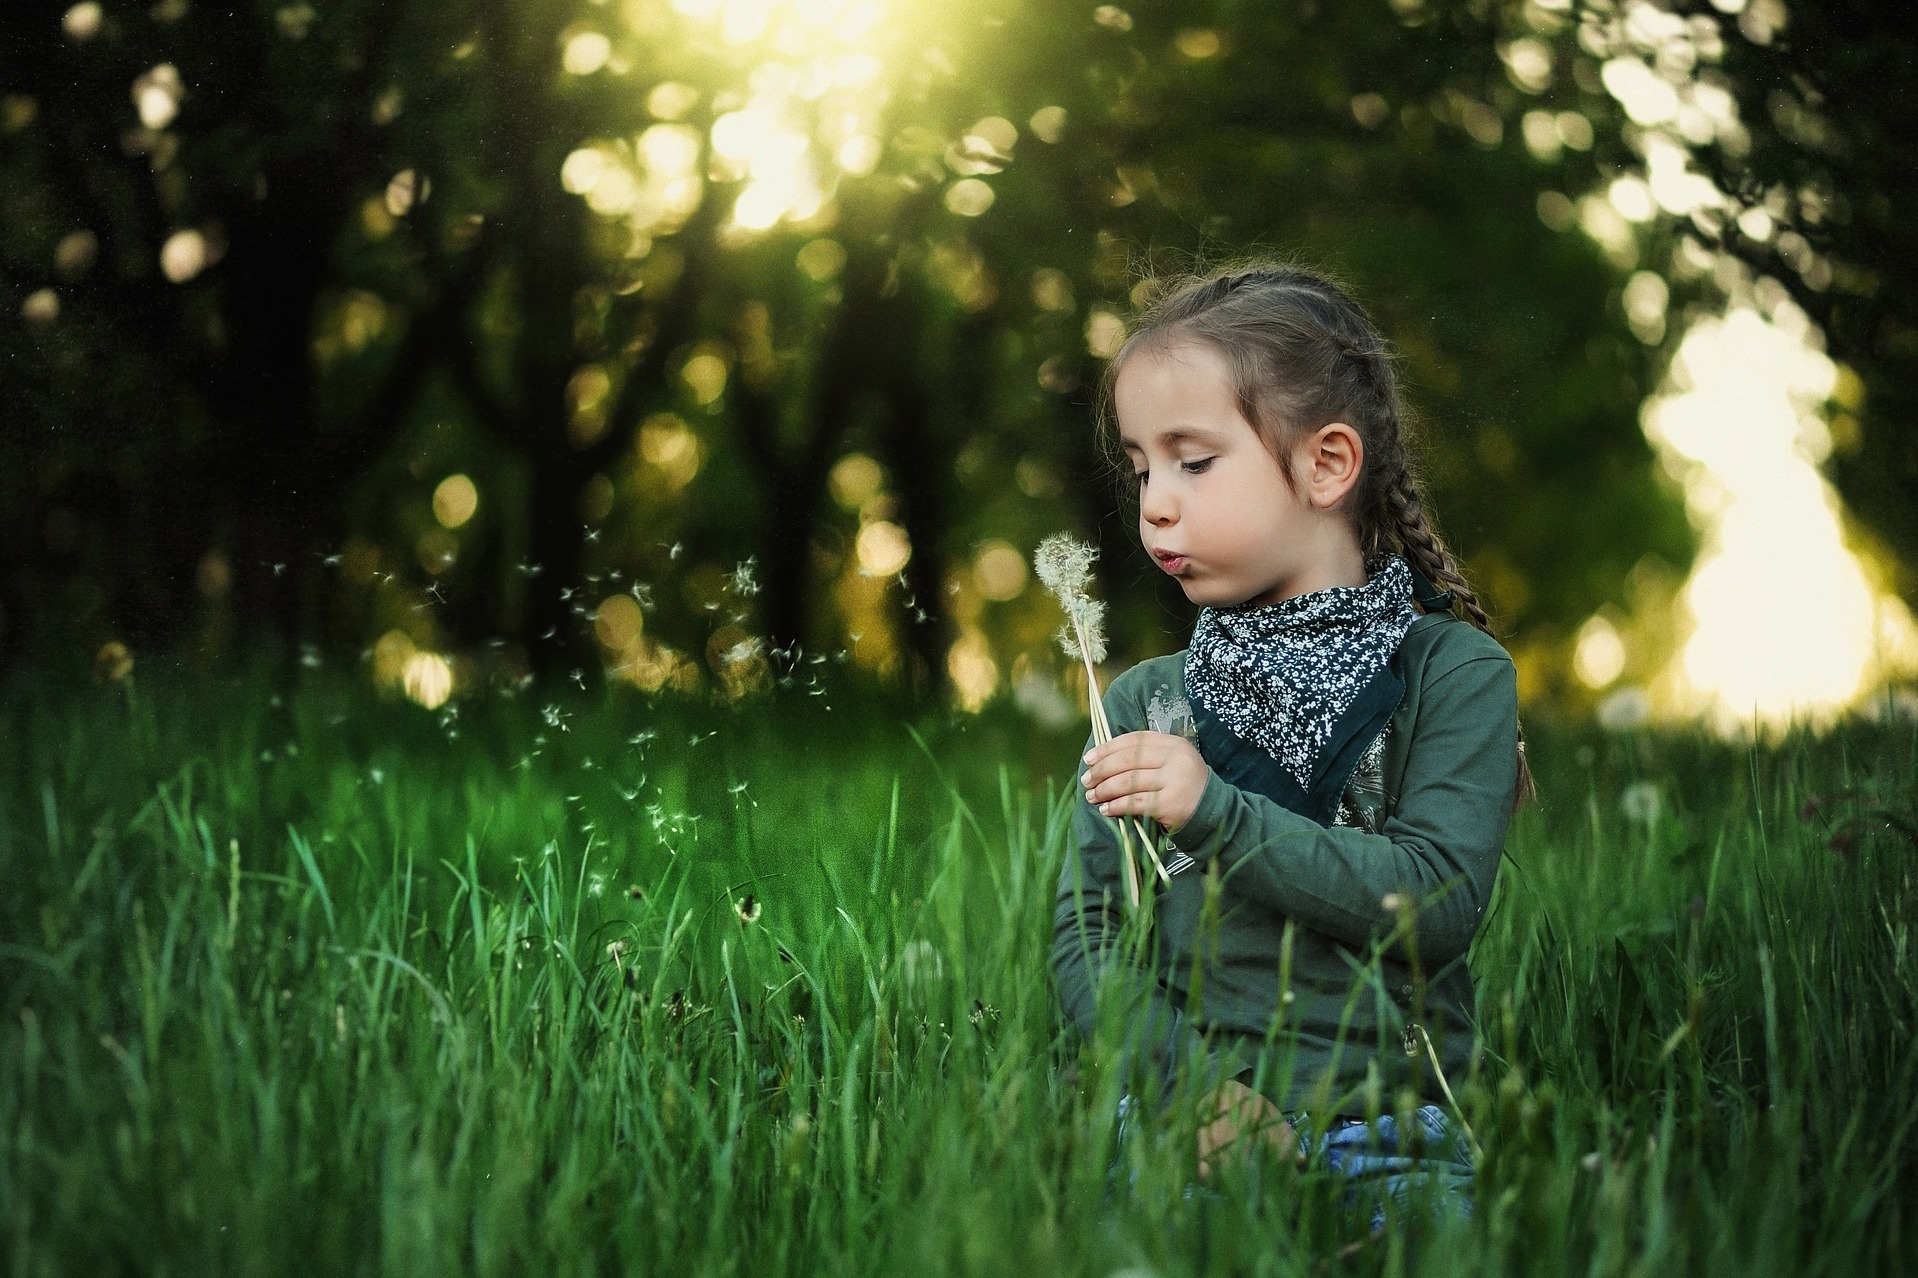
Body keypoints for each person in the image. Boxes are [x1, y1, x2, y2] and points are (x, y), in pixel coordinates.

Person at [1050, 263, 1533, 1224]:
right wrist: (1192, 1091)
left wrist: (1213, 812)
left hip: (1391, 1122)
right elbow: (1088, 936)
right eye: (1142, 468)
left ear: (1326, 465)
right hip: (1184, 1114)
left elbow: (1433, 906)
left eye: (1192, 462)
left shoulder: (1454, 674)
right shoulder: (1144, 701)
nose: (1153, 503)